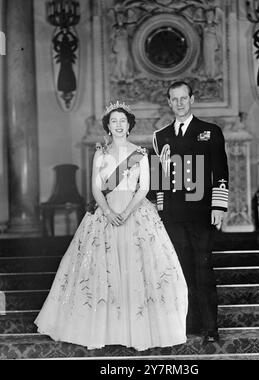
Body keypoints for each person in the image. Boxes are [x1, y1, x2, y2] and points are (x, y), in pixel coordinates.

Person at [34, 101, 188, 351]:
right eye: (113, 121)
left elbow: (145, 187)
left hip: (135, 211)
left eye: (122, 121)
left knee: (135, 270)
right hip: (105, 213)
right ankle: (104, 329)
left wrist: (126, 212)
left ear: (129, 126)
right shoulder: (101, 153)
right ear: (108, 126)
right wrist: (107, 211)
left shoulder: (139, 153)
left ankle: (135, 330)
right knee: (102, 271)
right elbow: (96, 187)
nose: (118, 125)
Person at [153, 81, 229, 343]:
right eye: (174, 99)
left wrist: (218, 206)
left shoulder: (209, 131)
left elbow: (220, 172)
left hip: (202, 212)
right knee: (180, 270)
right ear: (169, 102)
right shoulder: (160, 135)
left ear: (192, 99)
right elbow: (160, 178)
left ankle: (210, 327)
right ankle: (188, 323)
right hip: (173, 215)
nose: (180, 103)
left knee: (203, 268)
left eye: (184, 98)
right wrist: (159, 210)